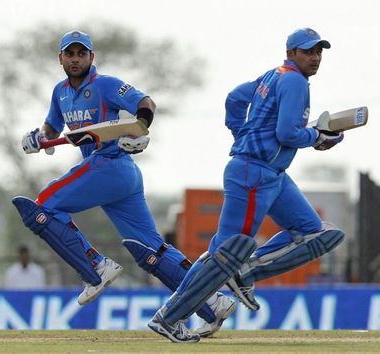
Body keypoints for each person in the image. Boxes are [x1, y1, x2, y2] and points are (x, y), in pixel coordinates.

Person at [11, 30, 235, 337]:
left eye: (81, 54)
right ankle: (211, 301)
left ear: (92, 57)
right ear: (60, 58)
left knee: (42, 206)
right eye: (70, 54)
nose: (76, 59)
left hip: (110, 163)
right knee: (148, 251)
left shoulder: (105, 85)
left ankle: (94, 267)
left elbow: (145, 103)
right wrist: (40, 137)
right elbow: (53, 125)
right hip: (114, 175)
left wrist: (139, 132)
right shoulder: (59, 92)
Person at [148, 27, 346, 343]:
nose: (315, 57)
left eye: (319, 51)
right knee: (227, 251)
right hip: (254, 172)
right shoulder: (293, 80)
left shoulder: (273, 76)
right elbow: (287, 134)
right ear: (291, 52)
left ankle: (244, 273)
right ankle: (170, 318)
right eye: (308, 51)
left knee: (318, 233)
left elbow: (235, 99)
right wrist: (317, 137)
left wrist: (241, 132)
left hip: (272, 174)